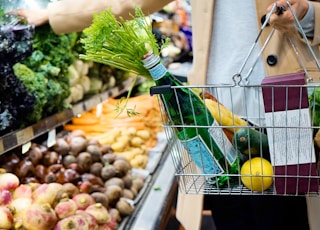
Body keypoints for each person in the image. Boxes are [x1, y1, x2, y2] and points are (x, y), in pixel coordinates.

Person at [12, 0, 320, 229]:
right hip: (213, 115)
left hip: (290, 111)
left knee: (291, 216)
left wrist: (307, 16)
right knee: (235, 216)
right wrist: (53, 15)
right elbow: (126, 2)